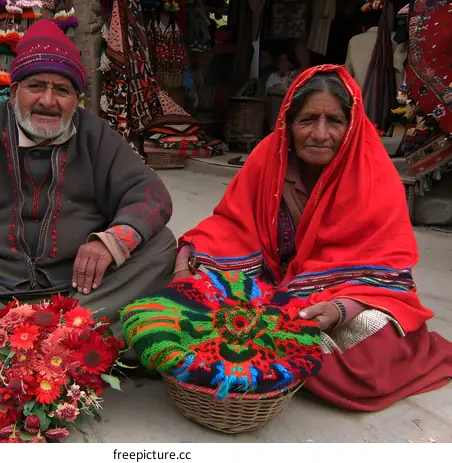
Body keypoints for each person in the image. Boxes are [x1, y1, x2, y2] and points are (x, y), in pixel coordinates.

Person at [170, 65, 452, 411]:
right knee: (187, 300)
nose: (320, 134)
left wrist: (339, 309)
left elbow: (386, 273)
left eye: (334, 121)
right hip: (269, 284)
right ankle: (271, 355)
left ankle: (268, 355)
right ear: (288, 122)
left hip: (341, 293)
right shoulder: (268, 158)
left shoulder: (375, 176)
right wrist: (185, 263)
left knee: (372, 347)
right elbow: (230, 223)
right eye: (308, 120)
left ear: (352, 126)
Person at [0, 20, 176, 349]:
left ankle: (16, 339)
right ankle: (63, 337)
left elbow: (151, 195)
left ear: (75, 100)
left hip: (79, 288)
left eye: (63, 90)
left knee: (162, 245)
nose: (48, 100)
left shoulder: (96, 135)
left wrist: (109, 242)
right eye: (36, 86)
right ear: (14, 93)